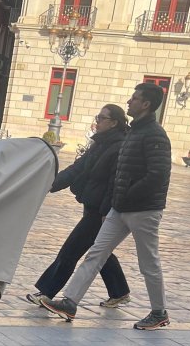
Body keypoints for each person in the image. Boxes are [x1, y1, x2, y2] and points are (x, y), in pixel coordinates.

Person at [42, 83, 173, 330]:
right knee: (96, 253)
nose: (129, 102)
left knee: (148, 263)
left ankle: (159, 312)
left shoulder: (155, 134)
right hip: (119, 208)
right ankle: (70, 302)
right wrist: (113, 203)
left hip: (144, 210)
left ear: (146, 104)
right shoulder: (134, 132)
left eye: (134, 98)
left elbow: (158, 174)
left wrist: (129, 195)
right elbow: (118, 174)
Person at [27, 105, 131, 309]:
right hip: (92, 206)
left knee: (71, 250)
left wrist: (105, 212)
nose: (97, 121)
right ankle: (119, 292)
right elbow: (77, 169)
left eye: (101, 118)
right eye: (97, 116)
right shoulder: (100, 143)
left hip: (100, 211)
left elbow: (115, 183)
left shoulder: (119, 147)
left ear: (113, 123)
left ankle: (47, 292)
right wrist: (48, 184)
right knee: (99, 250)